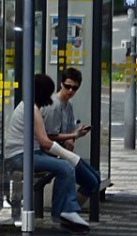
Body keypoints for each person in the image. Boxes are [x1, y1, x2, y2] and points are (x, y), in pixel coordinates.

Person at [5, 73, 90, 233]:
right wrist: (69, 156)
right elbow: (45, 141)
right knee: (66, 167)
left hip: (27, 154)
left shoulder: (29, 106)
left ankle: (64, 211)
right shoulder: (33, 109)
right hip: (21, 156)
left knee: (64, 167)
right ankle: (64, 212)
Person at [42, 67, 102, 207]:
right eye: (67, 86)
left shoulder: (68, 105)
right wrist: (74, 135)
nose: (70, 91)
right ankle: (69, 210)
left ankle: (70, 209)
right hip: (52, 153)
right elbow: (49, 136)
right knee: (91, 181)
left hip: (62, 152)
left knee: (95, 178)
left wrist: (72, 137)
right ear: (61, 84)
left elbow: (66, 133)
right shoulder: (54, 105)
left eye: (74, 88)